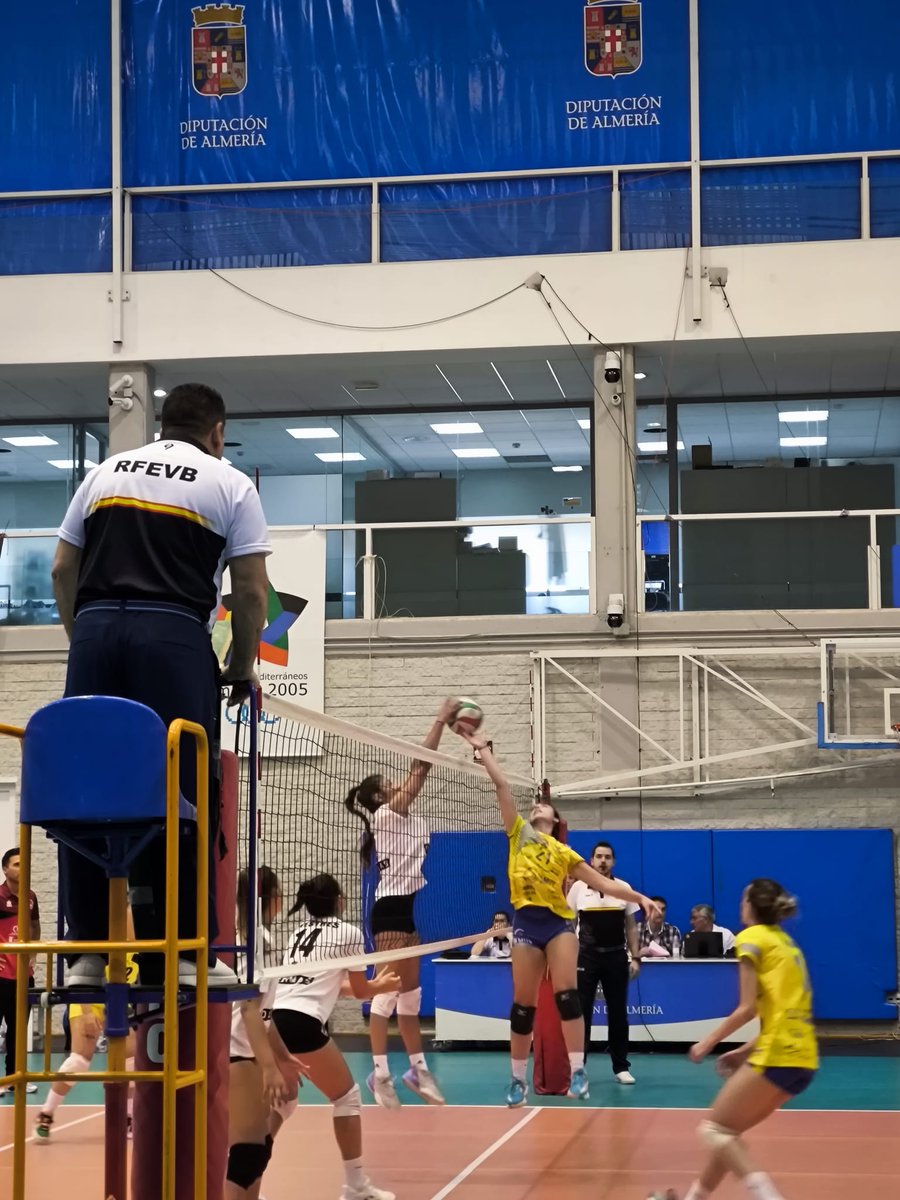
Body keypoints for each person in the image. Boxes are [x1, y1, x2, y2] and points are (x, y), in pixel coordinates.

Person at [50, 382, 271, 987]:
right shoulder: (229, 483)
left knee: (88, 790)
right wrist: (241, 665)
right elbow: (250, 593)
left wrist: (86, 640)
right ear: (217, 432)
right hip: (171, 637)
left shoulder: (105, 472)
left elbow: (62, 569)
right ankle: (182, 954)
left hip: (94, 634)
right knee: (185, 788)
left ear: (162, 423)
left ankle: (87, 956)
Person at [457, 728, 660, 1107]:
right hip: (526, 924)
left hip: (557, 925)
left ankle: (578, 1069)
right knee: (522, 1006)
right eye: (533, 808)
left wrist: (641, 897)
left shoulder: (565, 854)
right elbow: (502, 787)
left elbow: (606, 884)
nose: (536, 809)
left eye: (542, 809)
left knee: (568, 997)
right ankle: (517, 1080)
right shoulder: (517, 833)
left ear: (553, 819)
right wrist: (484, 751)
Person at [344, 697, 458, 1110]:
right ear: (380, 796)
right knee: (386, 994)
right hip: (389, 911)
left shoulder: (407, 821)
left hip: (406, 909)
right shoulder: (387, 816)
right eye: (389, 784)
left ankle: (417, 1069)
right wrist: (440, 720)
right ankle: (379, 1073)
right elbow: (421, 766)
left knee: (411, 996)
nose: (397, 784)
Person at [672, 879, 817, 1200]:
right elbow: (784, 1012)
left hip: (778, 1052)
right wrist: (743, 1051)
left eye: (743, 899)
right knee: (728, 1134)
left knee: (713, 1130)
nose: (740, 905)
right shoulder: (785, 942)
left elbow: (747, 1009)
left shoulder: (751, 938)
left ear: (750, 906)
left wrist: (707, 1042)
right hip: (803, 1057)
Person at [272, 873, 401, 1200]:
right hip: (302, 1023)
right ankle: (356, 1187)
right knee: (347, 1097)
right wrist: (380, 987)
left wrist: (371, 988)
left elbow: (323, 985)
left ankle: (247, 1177)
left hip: (274, 1022)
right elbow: (360, 991)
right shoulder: (349, 933)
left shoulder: (298, 933)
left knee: (284, 1103)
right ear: (338, 901)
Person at [227, 866, 298, 1200]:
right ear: (272, 899)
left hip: (244, 1050)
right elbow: (249, 1008)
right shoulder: (256, 939)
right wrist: (270, 1067)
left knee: (254, 1154)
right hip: (237, 1053)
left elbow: (264, 1015)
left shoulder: (247, 936)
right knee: (246, 1156)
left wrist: (282, 1056)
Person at [35, 946, 139, 1138]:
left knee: (130, 1062)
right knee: (79, 1061)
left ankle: (128, 1117)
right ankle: (46, 1113)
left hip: (119, 1002)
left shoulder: (142, 934)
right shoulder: (99, 929)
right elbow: (81, 972)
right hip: (89, 999)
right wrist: (87, 1009)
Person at [567, 840, 641, 1085]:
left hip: (616, 957)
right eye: (598, 856)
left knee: (618, 1014)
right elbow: (569, 925)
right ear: (591, 860)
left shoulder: (624, 888)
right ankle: (579, 1067)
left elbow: (631, 926)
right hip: (585, 957)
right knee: (582, 1014)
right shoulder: (577, 888)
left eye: (607, 857)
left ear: (613, 861)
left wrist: (636, 957)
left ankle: (621, 1067)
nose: (602, 861)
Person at [0, 848, 40, 1096]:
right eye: (16, 864)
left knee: (18, 1030)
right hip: (0, 975)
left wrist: (33, 955)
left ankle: (13, 1079)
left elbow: (34, 927)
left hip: (23, 976)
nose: (21, 868)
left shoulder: (31, 897)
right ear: (5, 869)